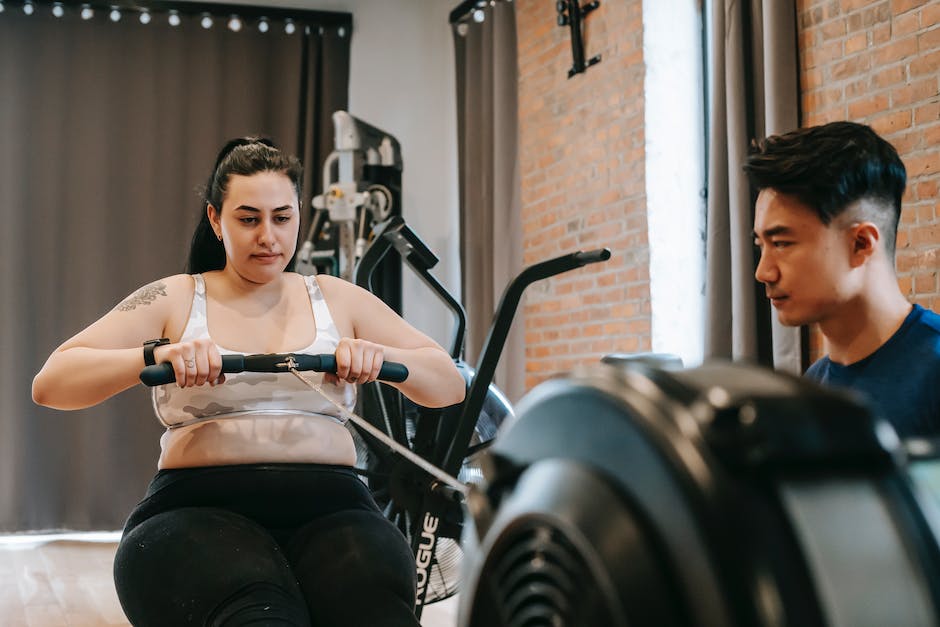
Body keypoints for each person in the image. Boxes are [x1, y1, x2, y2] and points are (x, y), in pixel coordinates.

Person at [32, 137, 466, 626]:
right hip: (196, 510)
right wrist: (158, 355)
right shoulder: (176, 297)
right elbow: (53, 382)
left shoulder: (338, 299)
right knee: (259, 616)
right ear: (216, 220)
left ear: (299, 215)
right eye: (248, 218)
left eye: (282, 218)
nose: (268, 236)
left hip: (334, 510)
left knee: (374, 612)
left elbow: (449, 384)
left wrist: (376, 355)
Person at [746, 121, 940, 439]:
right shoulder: (813, 386)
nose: (763, 272)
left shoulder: (934, 370)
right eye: (761, 246)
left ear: (861, 243)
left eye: (781, 243)